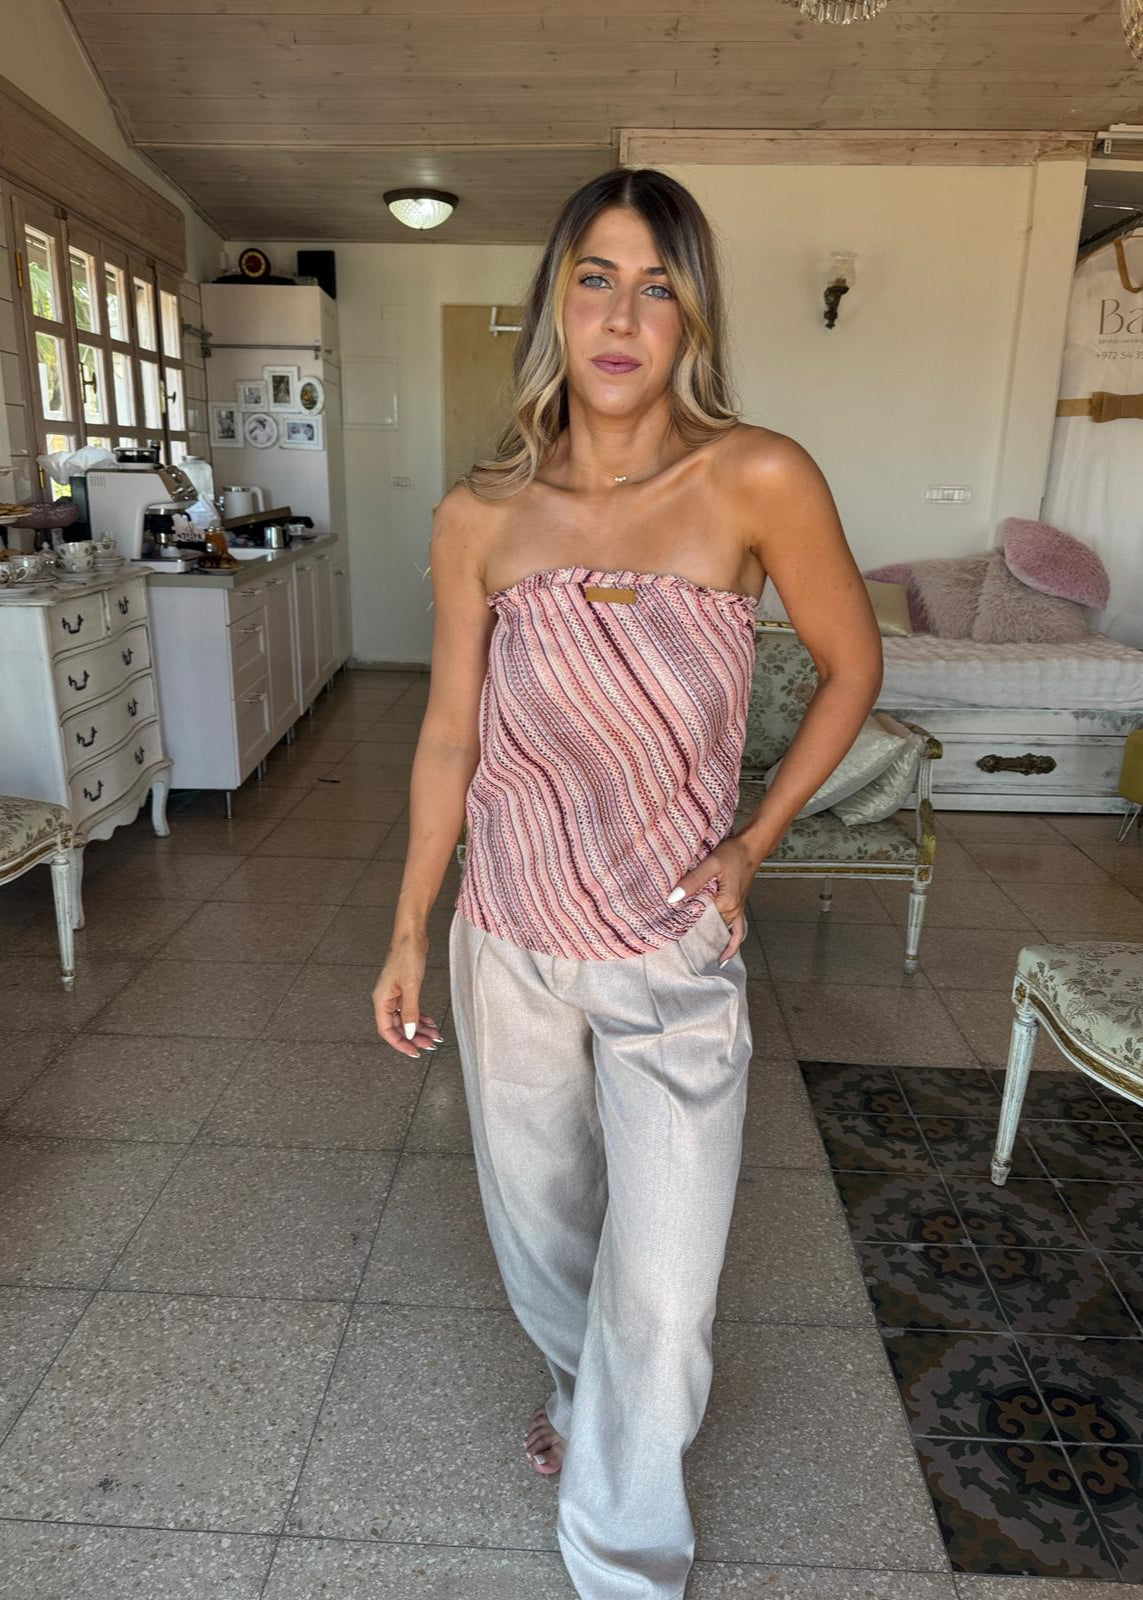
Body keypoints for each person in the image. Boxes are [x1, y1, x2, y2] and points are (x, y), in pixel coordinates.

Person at [371, 166, 883, 1600]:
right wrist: (409, 926)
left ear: (691, 317)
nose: (620, 315)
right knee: (541, 1236)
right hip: (509, 933)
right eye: (595, 277)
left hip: (671, 942)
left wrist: (752, 843)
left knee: (663, 1281)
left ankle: (623, 1559)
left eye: (658, 286)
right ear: (556, 300)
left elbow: (853, 667)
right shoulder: (480, 514)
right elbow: (450, 733)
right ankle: (582, 1399)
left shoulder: (756, 479)